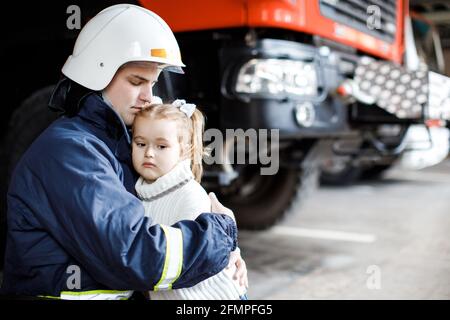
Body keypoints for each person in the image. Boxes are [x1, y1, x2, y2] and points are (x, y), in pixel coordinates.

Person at [0, 4, 247, 299]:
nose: (149, 96)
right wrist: (220, 235)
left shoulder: (121, 146)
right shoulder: (70, 152)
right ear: (96, 73)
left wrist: (225, 258)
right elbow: (139, 255)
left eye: (152, 83)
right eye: (136, 81)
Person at [130, 100, 248, 300]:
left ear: (184, 150)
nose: (149, 152)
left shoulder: (190, 196)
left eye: (161, 146)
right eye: (141, 144)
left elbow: (194, 258)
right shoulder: (139, 190)